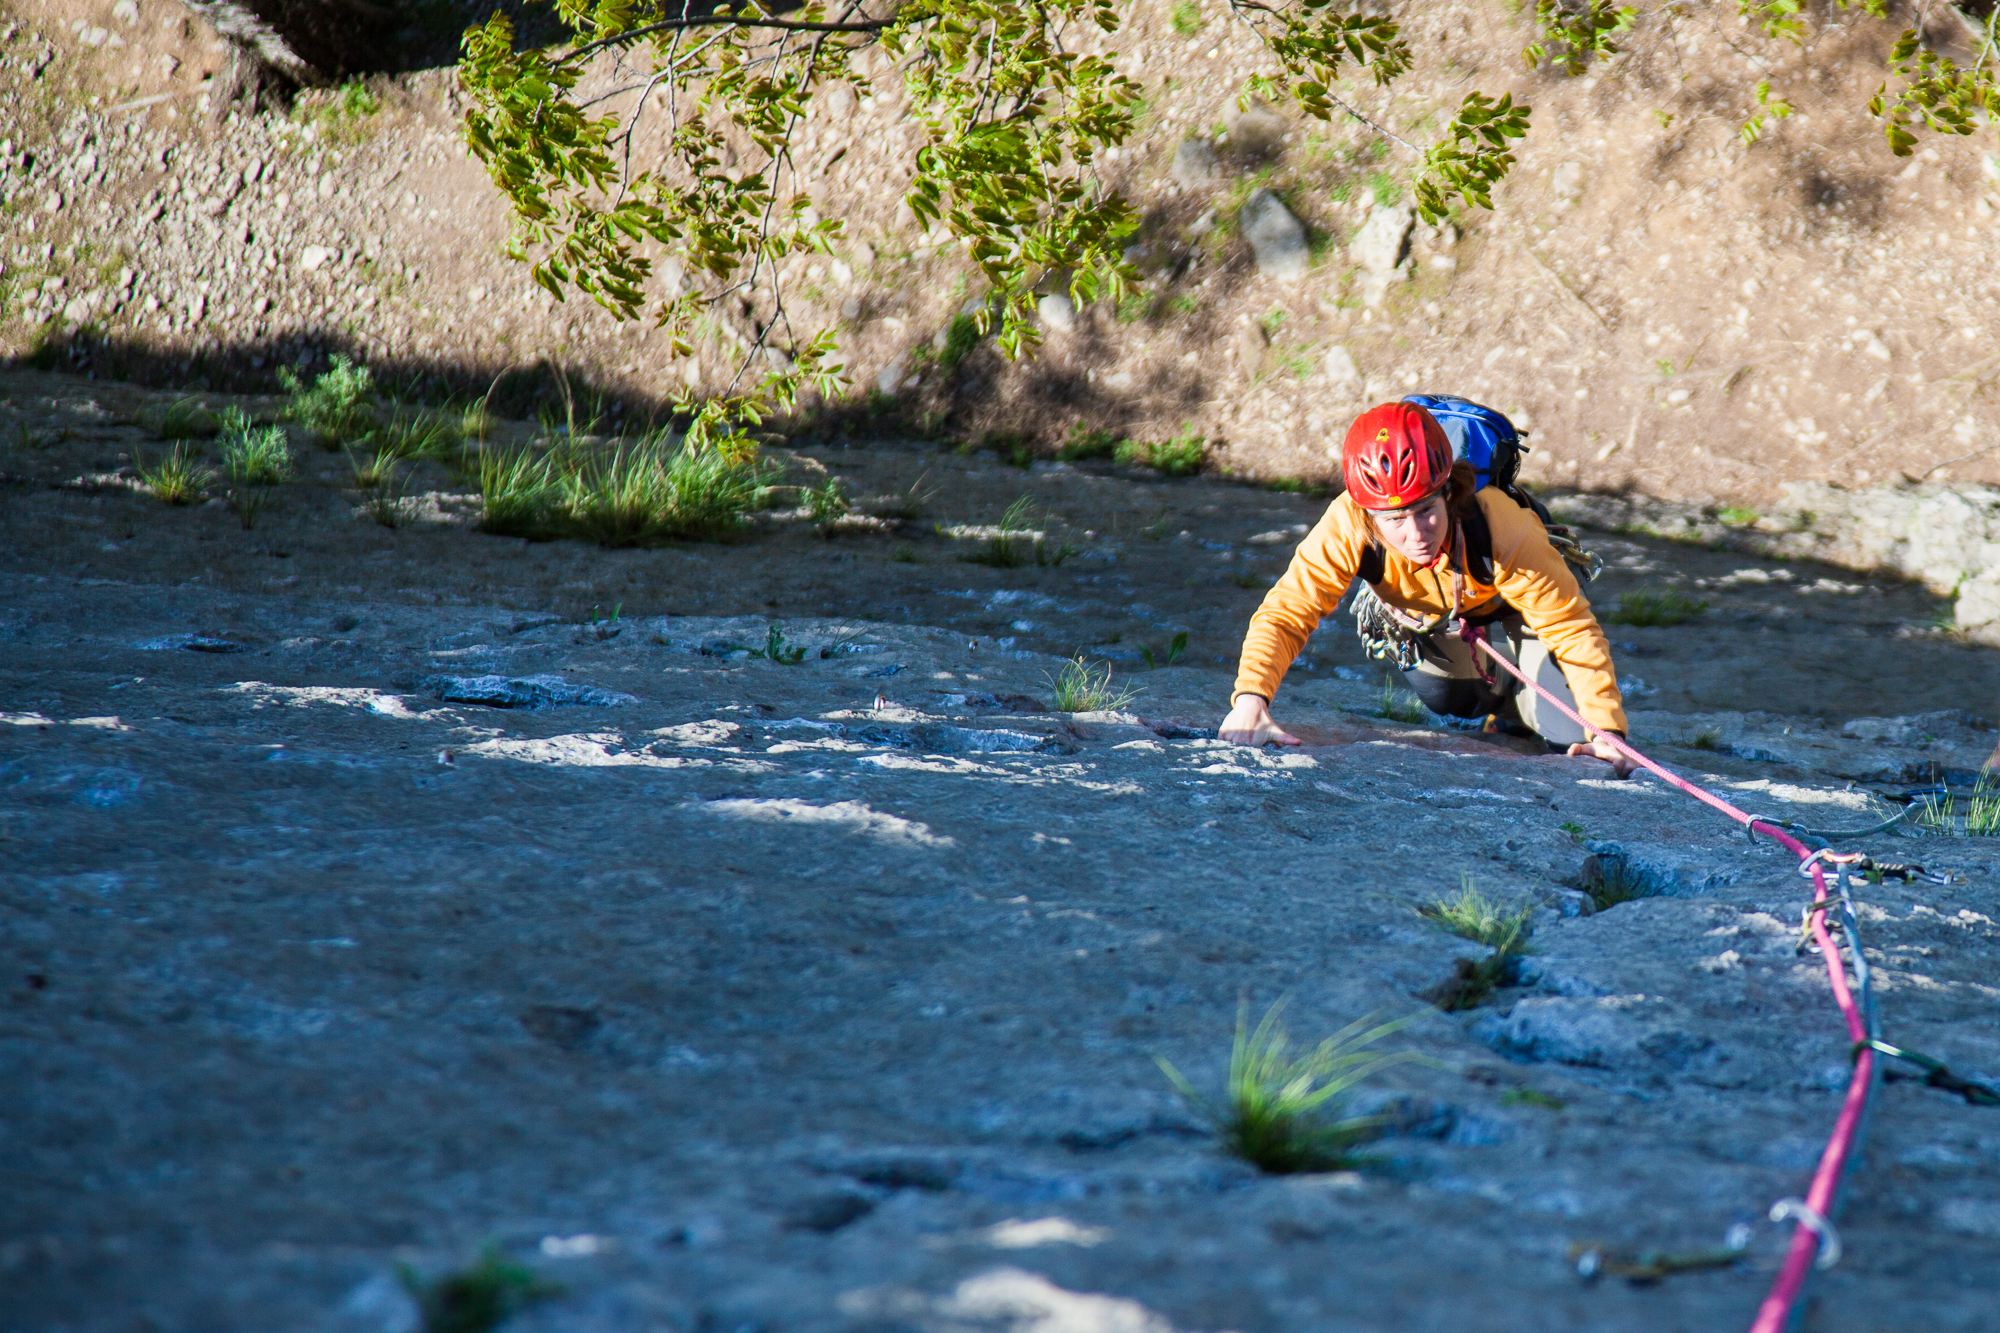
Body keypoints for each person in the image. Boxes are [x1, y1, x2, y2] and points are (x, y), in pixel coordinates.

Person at [1219, 400, 1635, 778]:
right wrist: (1251, 700)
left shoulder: (1501, 526)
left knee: (1566, 735)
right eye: (1395, 521)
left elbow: (1570, 627)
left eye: (1426, 511)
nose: (1416, 535)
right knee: (1450, 699)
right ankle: (1510, 701)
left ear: (1448, 491)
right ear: (1368, 517)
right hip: (1432, 614)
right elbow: (1288, 610)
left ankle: (1529, 693)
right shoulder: (1347, 525)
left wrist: (1608, 731)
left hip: (1519, 608)